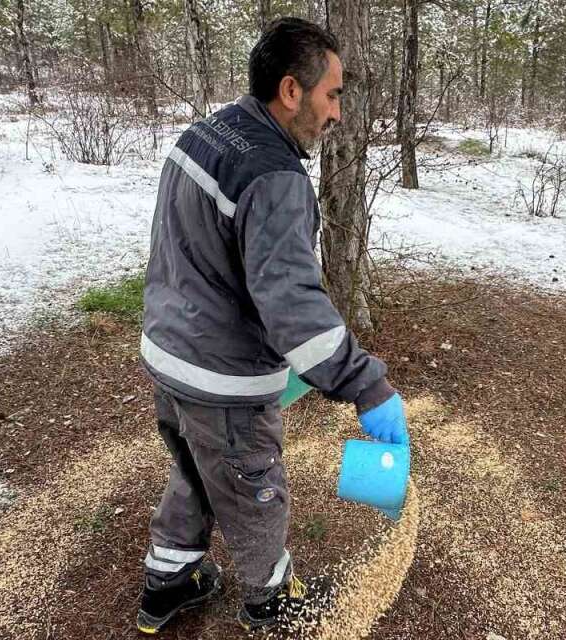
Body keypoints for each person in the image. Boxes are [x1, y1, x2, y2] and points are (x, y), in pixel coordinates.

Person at [134, 16, 411, 635]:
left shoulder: (205, 135)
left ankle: (169, 581)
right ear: (292, 91)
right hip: (220, 379)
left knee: (196, 468)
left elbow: (198, 253)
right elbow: (293, 305)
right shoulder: (275, 177)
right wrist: (366, 385)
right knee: (254, 486)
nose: (336, 113)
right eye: (332, 94)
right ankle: (271, 601)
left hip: (169, 354)